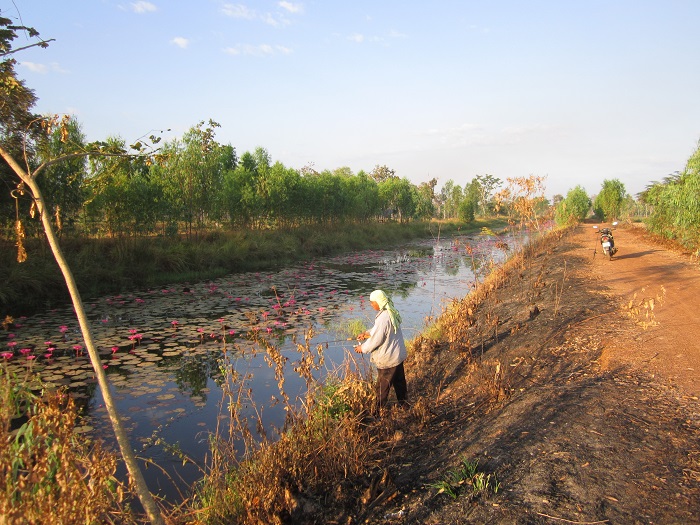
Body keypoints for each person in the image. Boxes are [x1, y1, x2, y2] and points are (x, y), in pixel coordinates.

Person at [354, 289, 408, 413]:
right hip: (397, 355)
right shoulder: (390, 312)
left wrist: (362, 348)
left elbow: (377, 339)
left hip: (388, 359)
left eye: (373, 302)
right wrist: (366, 333)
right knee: (400, 383)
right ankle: (405, 405)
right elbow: (378, 331)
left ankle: (377, 413)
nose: (371, 305)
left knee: (382, 388)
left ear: (379, 302)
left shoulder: (383, 318)